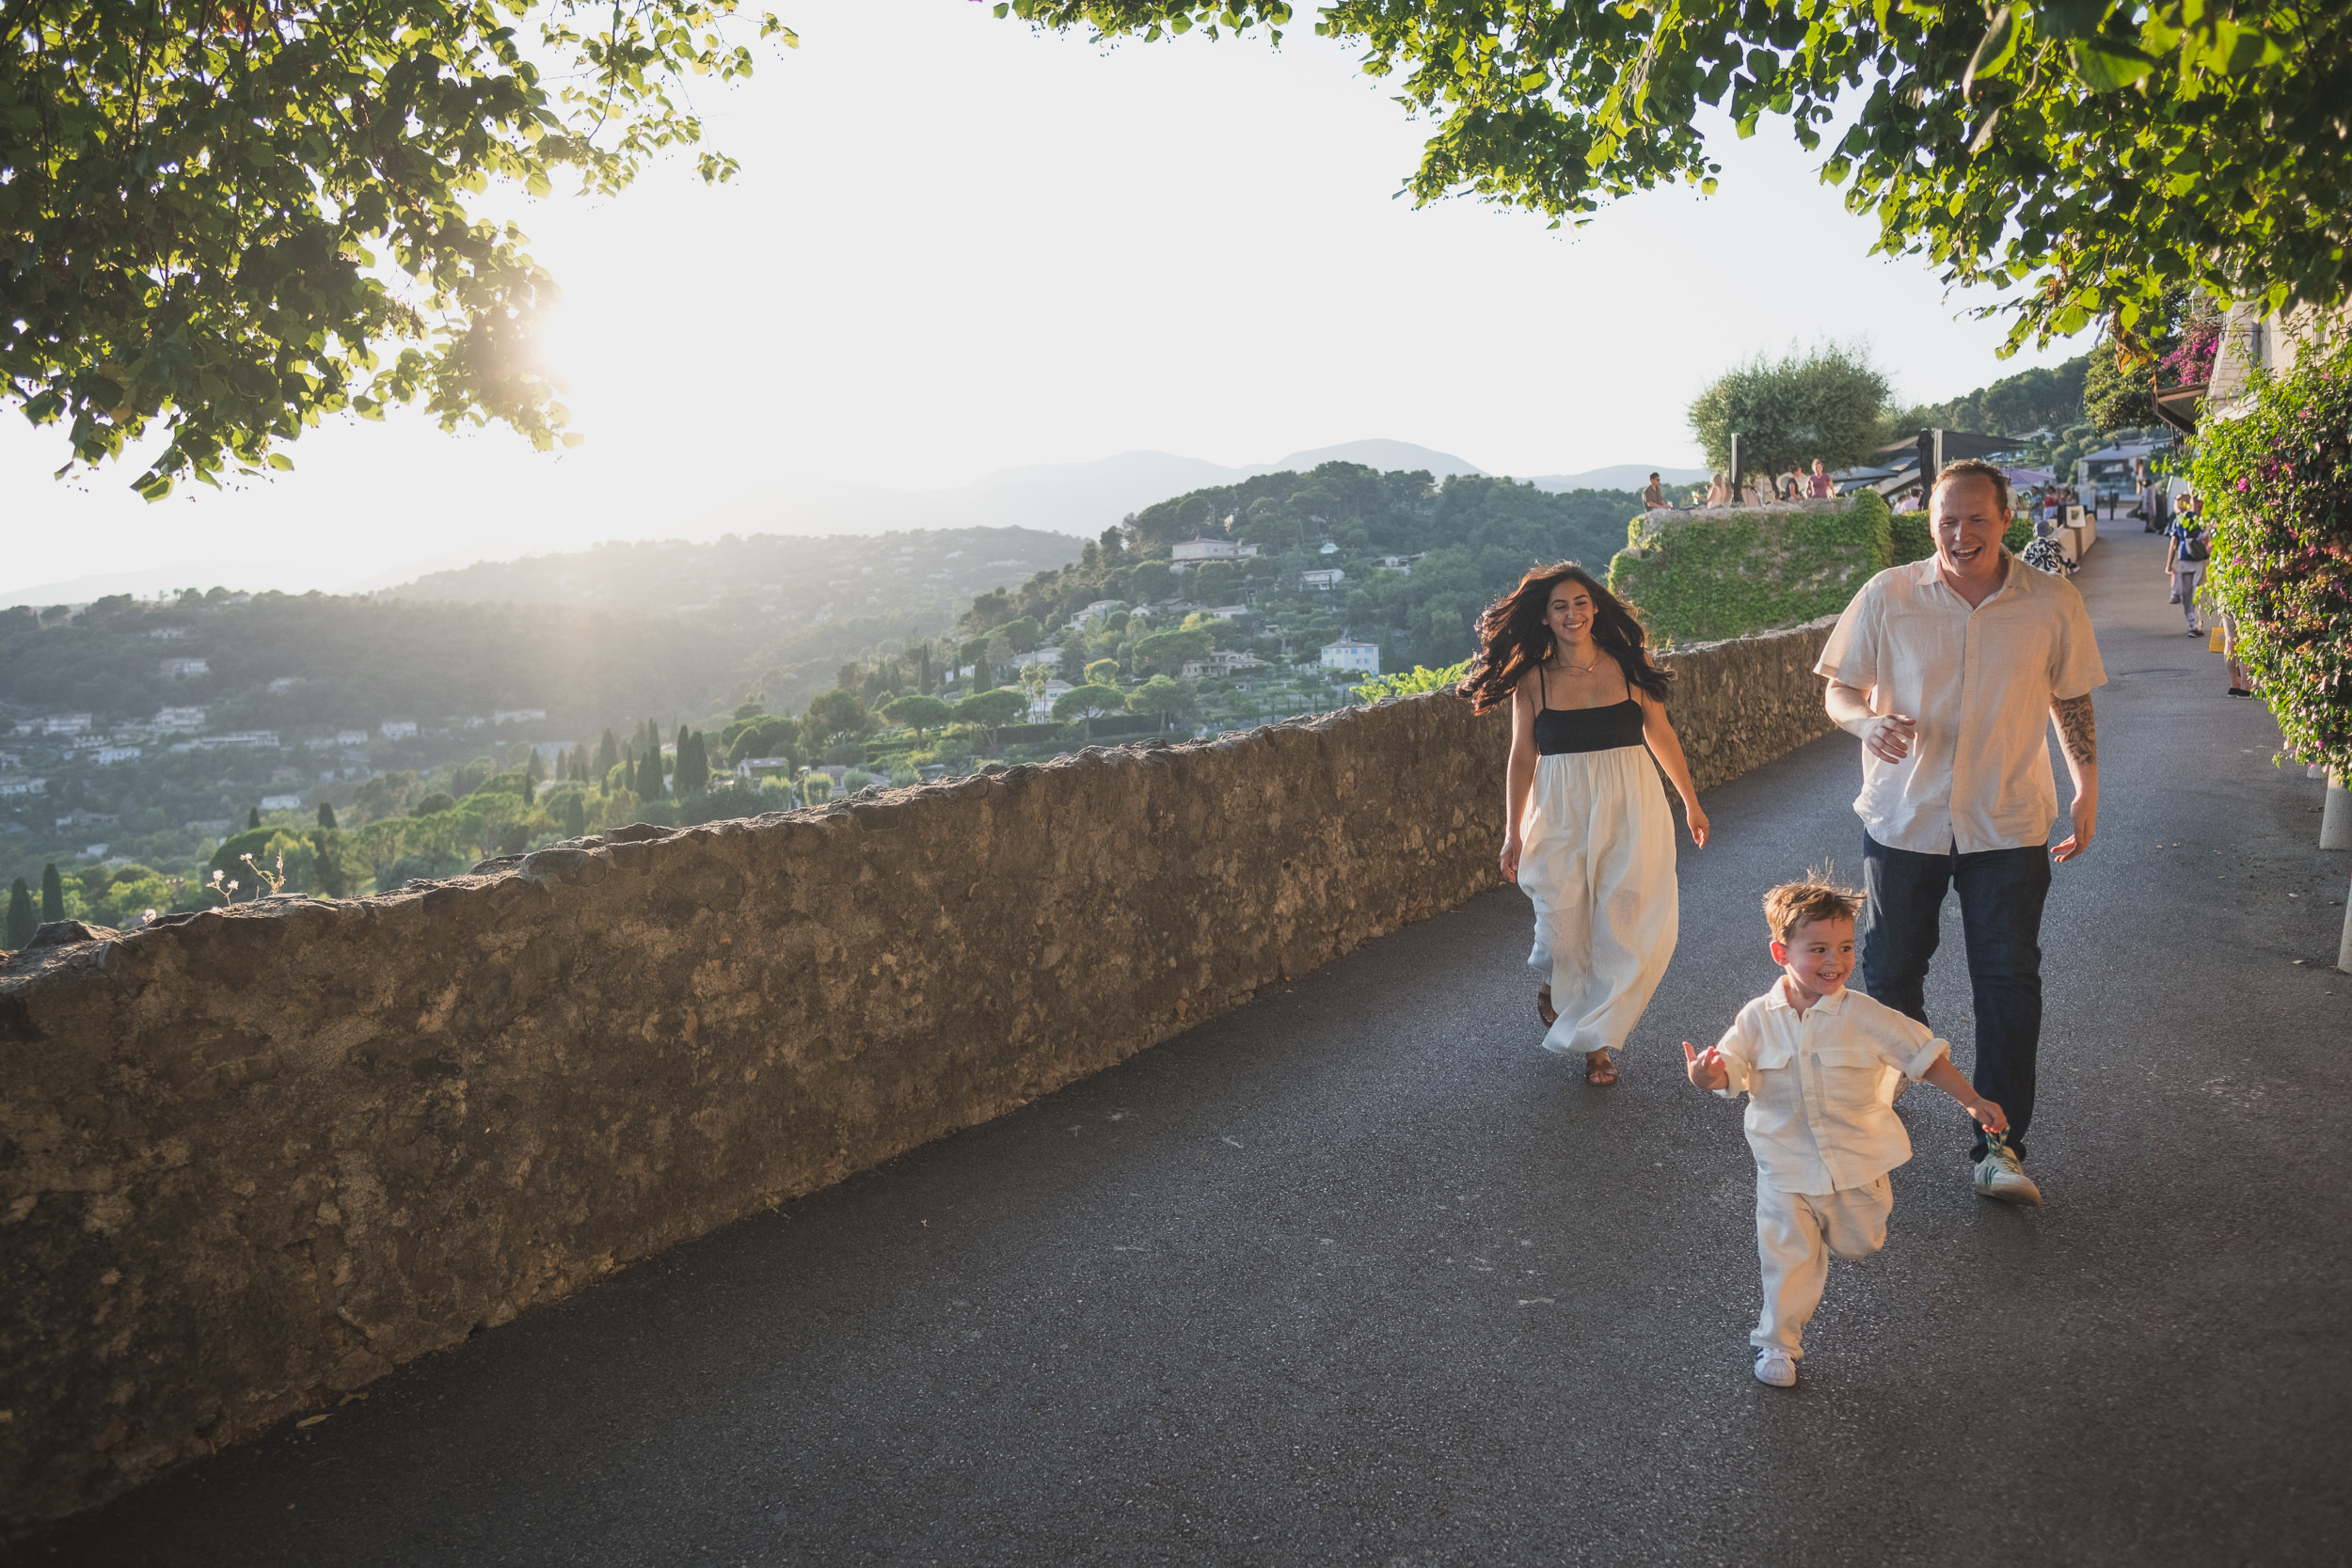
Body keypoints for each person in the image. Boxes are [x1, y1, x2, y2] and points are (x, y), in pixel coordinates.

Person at [1816, 457, 2106, 1206]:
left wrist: (2086, 787)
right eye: (1947, 518)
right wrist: (1866, 718)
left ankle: (1999, 1148)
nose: (1960, 532)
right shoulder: (1891, 594)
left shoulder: (2050, 602)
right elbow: (1839, 688)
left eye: (1977, 517)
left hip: (2006, 823)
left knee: (2008, 988)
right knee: (1886, 981)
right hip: (1903, 819)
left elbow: (2070, 699)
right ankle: (1877, 1124)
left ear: (2007, 518)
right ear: (1930, 519)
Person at [1683, 877, 2010, 1387]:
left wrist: (1972, 1099)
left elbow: (1923, 1057)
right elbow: (1729, 1072)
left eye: (1845, 947)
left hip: (1856, 1162)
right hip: (1784, 1165)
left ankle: (1846, 1225)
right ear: (1780, 952)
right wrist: (1705, 1074)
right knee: (1788, 1257)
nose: (1835, 961)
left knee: (1861, 1242)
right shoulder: (1756, 1019)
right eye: (1818, 949)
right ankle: (1777, 1346)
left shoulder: (1865, 1016)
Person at [1470, 562, 1710, 1086]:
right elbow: (1520, 757)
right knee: (1563, 922)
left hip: (1630, 803)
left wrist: (1689, 801)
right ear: (1546, 617)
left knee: (1617, 923)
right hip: (1558, 809)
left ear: (1594, 606)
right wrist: (1512, 831)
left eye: (1580, 602)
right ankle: (1559, 982)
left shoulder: (1629, 664)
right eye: (1560, 606)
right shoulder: (1531, 679)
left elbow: (1661, 735)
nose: (1572, 613)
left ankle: (1596, 1044)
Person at [2166, 493, 2210, 636]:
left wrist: (2168, 564)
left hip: (2184, 558)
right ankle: (2197, 623)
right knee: (2198, 590)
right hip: (2200, 559)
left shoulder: (2178, 519)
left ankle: (2193, 625)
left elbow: (2173, 543)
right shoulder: (2203, 520)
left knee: (2188, 593)